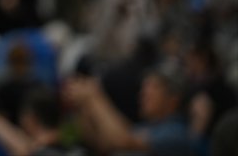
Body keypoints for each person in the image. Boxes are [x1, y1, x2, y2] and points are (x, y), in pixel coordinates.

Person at [65, 65, 197, 156]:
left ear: (173, 99)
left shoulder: (176, 133)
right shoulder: (149, 127)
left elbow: (122, 141)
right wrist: (84, 105)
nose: (144, 93)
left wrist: (95, 97)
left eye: (154, 87)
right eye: (144, 87)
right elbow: (103, 143)